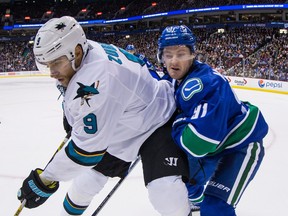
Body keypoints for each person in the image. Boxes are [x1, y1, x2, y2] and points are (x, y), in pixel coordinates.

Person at [16, 16, 192, 216]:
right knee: (84, 185)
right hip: (124, 122)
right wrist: (72, 115)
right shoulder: (82, 50)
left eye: (56, 63)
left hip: (158, 120)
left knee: (165, 192)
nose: (52, 72)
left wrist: (45, 180)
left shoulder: (98, 78)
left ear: (77, 52)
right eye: (48, 64)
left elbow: (86, 152)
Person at [157, 25, 269, 216]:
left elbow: (199, 143)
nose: (174, 61)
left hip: (240, 144)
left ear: (193, 55)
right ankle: (196, 199)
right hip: (218, 142)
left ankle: (206, 203)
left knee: (215, 207)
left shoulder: (206, 84)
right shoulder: (179, 75)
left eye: (181, 53)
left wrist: (175, 121)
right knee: (185, 180)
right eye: (168, 54)